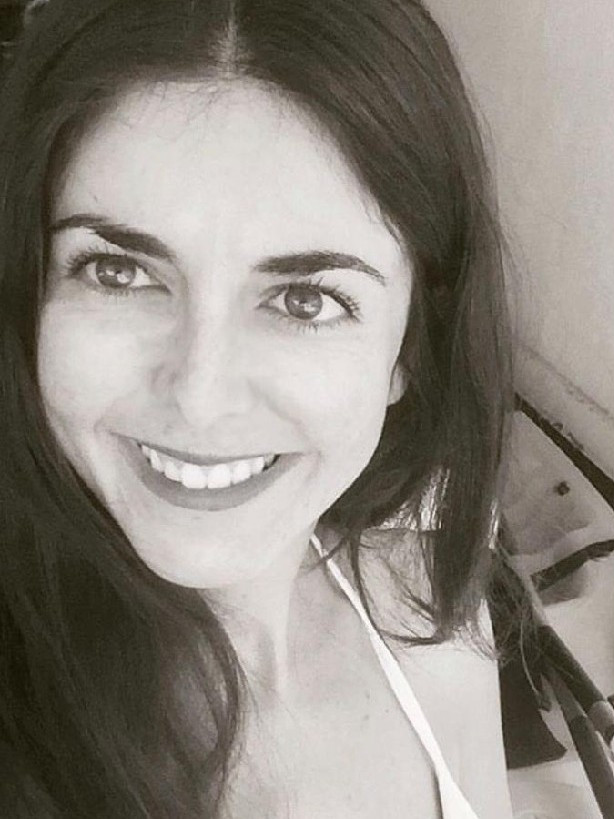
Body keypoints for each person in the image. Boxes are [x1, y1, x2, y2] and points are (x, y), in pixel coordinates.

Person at [0, 1, 518, 816]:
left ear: (411, 347)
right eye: (117, 272)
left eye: (305, 299)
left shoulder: (435, 621)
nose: (200, 397)